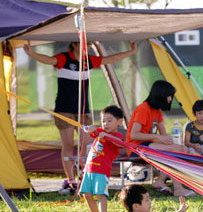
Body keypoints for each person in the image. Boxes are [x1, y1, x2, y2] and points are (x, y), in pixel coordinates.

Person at [23, 40, 137, 194]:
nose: (87, 47)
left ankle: (84, 176)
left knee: (88, 143)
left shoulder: (89, 60)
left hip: (83, 110)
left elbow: (109, 59)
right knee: (69, 144)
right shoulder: (64, 58)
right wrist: (30, 53)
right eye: (84, 44)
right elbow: (48, 60)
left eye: (89, 45)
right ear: (74, 45)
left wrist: (131, 52)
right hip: (64, 109)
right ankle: (70, 181)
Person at [126, 80, 194, 197]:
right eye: (169, 96)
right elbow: (134, 135)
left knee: (183, 149)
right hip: (135, 147)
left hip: (147, 145)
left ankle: (160, 181)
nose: (170, 99)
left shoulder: (157, 111)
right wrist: (157, 136)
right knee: (177, 150)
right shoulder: (143, 108)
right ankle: (178, 188)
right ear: (161, 94)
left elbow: (164, 134)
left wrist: (168, 140)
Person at [79, 105, 125, 212]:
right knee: (87, 194)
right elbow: (93, 132)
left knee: (100, 194)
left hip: (102, 170)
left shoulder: (117, 136)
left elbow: (121, 144)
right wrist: (92, 128)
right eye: (103, 121)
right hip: (89, 169)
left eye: (109, 121)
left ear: (119, 121)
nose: (106, 124)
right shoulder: (100, 132)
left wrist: (106, 136)